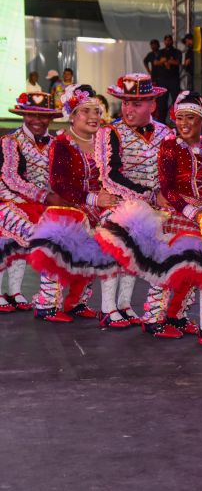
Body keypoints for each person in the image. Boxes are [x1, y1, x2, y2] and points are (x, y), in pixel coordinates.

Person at [96, 92, 202, 342]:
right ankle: (152, 317)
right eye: (179, 117)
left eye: (190, 117)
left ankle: (178, 316)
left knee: (200, 267)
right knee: (167, 266)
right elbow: (167, 188)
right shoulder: (170, 146)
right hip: (173, 212)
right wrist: (190, 210)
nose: (183, 123)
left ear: (201, 120)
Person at [27, 85, 120, 323]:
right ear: (72, 114)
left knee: (102, 246)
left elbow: (114, 175)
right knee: (63, 247)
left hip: (97, 206)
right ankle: (47, 304)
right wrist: (92, 199)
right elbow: (59, 184)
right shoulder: (62, 144)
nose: (93, 117)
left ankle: (77, 302)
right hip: (69, 205)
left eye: (97, 111)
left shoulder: (104, 142)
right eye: (85, 111)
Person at [95, 73, 171, 331]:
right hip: (120, 201)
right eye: (125, 102)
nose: (128, 109)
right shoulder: (110, 132)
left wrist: (163, 196)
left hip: (158, 206)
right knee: (118, 238)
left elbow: (170, 173)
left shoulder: (166, 133)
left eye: (136, 104)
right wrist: (148, 196)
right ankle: (107, 308)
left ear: (152, 105)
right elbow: (109, 176)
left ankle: (126, 304)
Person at [0, 92, 64, 314]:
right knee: (8, 243)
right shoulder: (10, 141)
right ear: (23, 115)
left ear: (52, 118)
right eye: (31, 114)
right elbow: (10, 178)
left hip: (40, 204)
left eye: (43, 116)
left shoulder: (57, 143)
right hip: (8, 200)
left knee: (22, 247)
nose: (37, 120)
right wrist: (43, 196)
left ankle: (15, 292)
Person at [154, 35, 182, 121]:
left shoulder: (177, 51)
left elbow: (178, 62)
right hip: (163, 79)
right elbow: (155, 62)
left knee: (176, 101)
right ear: (164, 41)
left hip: (173, 79)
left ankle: (177, 120)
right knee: (162, 102)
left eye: (169, 40)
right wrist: (164, 62)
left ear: (172, 41)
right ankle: (162, 122)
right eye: (166, 40)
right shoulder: (160, 52)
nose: (168, 42)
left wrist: (165, 61)